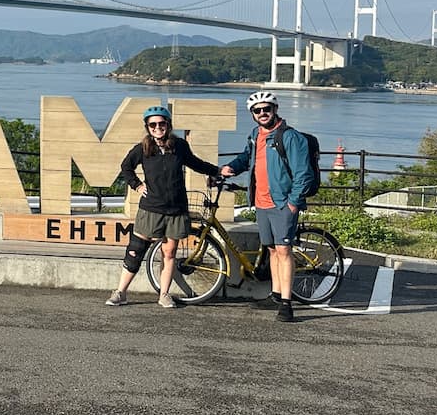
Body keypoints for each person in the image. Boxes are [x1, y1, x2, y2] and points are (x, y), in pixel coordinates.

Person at [106, 105, 220, 309]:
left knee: (169, 254)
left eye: (162, 123)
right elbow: (126, 167)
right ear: (147, 127)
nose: (158, 127)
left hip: (176, 209)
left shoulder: (179, 146)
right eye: (153, 124)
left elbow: (196, 163)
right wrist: (137, 185)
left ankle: (164, 294)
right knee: (136, 251)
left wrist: (217, 171)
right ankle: (120, 292)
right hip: (151, 208)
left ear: (168, 125)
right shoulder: (142, 148)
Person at [220, 90, 314, 324]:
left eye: (266, 109)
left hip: (282, 203)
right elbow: (246, 158)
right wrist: (230, 168)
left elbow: (304, 173)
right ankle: (275, 294)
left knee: (284, 251)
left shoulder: (290, 137)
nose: (262, 113)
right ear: (252, 114)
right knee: (272, 249)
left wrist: (293, 203)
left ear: (275, 110)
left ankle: (286, 303)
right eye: (257, 110)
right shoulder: (255, 135)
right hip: (261, 202)